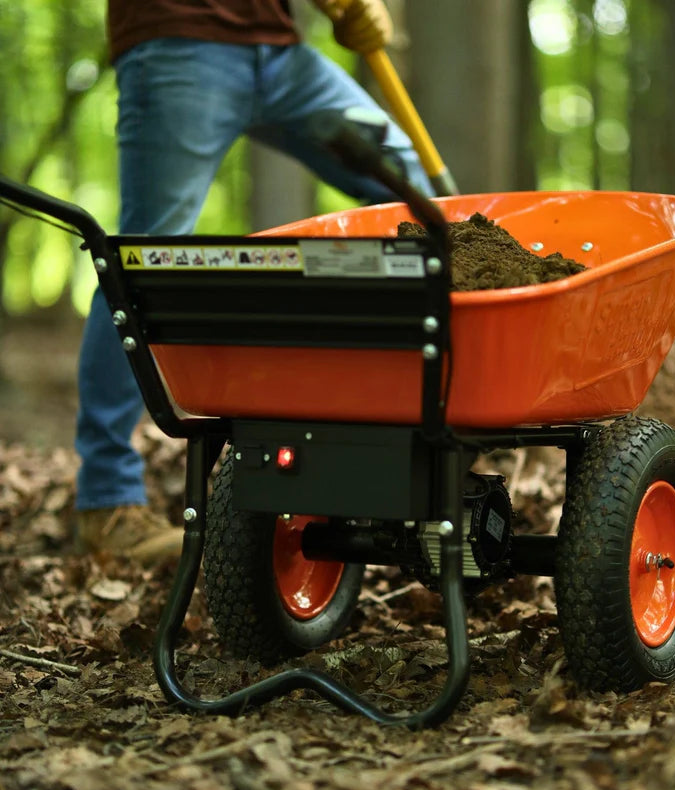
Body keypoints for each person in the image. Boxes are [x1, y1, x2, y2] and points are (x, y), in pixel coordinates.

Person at [75, 0, 433, 563]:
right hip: (178, 39)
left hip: (283, 52)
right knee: (144, 254)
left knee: (418, 197)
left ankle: (434, 419)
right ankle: (107, 500)